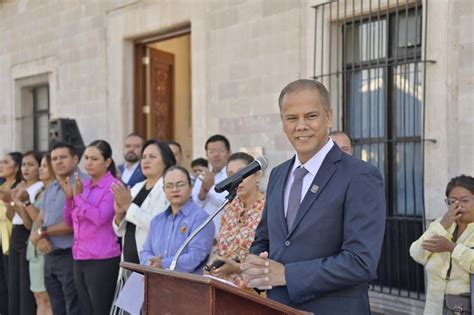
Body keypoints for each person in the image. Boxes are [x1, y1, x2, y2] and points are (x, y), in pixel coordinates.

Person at [241, 79, 386, 314]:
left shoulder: (361, 176)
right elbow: (265, 239)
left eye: (311, 116)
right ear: (283, 123)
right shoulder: (278, 174)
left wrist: (286, 275)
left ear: (328, 117)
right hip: (278, 307)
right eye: (292, 118)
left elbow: (360, 262)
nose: (301, 126)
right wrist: (256, 264)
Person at [110, 140, 176, 315]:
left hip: (148, 266)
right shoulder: (137, 187)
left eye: (152, 156)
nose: (146, 160)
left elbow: (158, 225)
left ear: (165, 161)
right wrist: (119, 215)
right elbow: (122, 229)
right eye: (144, 157)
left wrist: (129, 207)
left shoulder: (167, 189)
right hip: (129, 265)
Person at [61, 140, 121, 314]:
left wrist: (78, 197)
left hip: (102, 260)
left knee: (101, 310)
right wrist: (69, 198)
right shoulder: (85, 186)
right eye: (86, 158)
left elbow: (100, 217)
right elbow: (69, 222)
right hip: (80, 258)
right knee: (86, 310)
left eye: (94, 158)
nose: (88, 162)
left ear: (107, 161)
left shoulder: (113, 186)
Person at [29, 142, 85, 315]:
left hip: (71, 256)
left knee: (73, 308)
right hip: (50, 255)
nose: (58, 162)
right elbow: (40, 218)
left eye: (63, 157)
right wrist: (39, 236)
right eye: (54, 159)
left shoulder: (82, 183)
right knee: (57, 308)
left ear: (75, 159)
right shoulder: (52, 186)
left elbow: (74, 223)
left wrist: (42, 232)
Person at [410, 175, 474, 315]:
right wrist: (442, 225)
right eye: (452, 201)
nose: (459, 206)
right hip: (434, 309)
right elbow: (416, 253)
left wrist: (452, 248)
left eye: (465, 200)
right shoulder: (443, 224)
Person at [140, 166, 214, 273]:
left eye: (180, 184)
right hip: (156, 281)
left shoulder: (201, 218)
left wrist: (163, 264)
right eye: (169, 186)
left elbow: (196, 256)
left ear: (191, 187)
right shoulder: (157, 220)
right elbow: (145, 252)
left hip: (187, 285)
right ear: (164, 190)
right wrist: (151, 262)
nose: (175, 189)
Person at [206, 152, 264, 287]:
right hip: (223, 286)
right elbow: (219, 248)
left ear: (257, 175)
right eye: (231, 175)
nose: (236, 179)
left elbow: (273, 257)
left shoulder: (269, 208)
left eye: (242, 173)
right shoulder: (229, 207)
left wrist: (238, 267)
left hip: (254, 290)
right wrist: (212, 266)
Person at [16, 154, 54, 315]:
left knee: (47, 297)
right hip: (33, 247)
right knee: (38, 296)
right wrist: (21, 203)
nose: (40, 169)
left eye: (44, 166)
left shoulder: (54, 189)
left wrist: (26, 203)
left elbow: (44, 220)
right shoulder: (41, 190)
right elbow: (30, 223)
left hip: (45, 245)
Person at [8, 151, 44, 315]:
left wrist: (20, 204)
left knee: (25, 283)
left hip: (27, 233)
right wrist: (10, 202)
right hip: (15, 232)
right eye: (23, 164)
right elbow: (11, 216)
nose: (26, 168)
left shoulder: (38, 188)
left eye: (31, 165)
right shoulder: (20, 186)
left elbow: (29, 222)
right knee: (13, 281)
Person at [192, 135, 231, 236]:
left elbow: (230, 203)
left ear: (229, 152)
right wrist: (203, 193)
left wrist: (210, 188)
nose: (216, 155)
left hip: (225, 236)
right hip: (201, 236)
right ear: (207, 154)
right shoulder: (202, 176)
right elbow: (194, 206)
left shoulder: (232, 175)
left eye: (221, 151)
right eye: (211, 151)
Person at [0, 151, 23, 315]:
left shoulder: (18, 187)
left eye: (5, 162)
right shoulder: (1, 186)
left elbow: (13, 215)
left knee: (11, 284)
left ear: (16, 167)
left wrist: (9, 202)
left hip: (11, 239)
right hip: (1, 241)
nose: (1, 165)